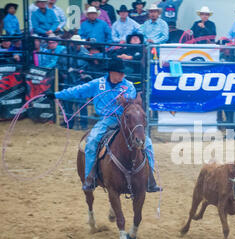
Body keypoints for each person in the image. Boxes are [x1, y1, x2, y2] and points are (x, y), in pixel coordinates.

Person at [46, 59, 161, 192]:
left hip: (128, 121)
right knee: (92, 141)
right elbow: (78, 90)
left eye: (123, 74)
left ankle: (149, 179)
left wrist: (126, 101)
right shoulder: (97, 84)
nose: (123, 76)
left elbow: (133, 101)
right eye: (120, 73)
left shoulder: (128, 85)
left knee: (148, 143)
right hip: (107, 120)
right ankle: (90, 177)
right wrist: (56, 95)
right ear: (112, 73)